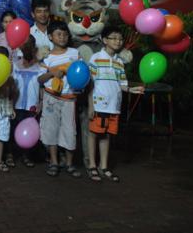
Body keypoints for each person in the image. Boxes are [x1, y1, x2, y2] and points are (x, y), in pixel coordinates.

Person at [87, 26, 143, 182]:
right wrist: (91, 105)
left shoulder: (120, 62)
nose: (118, 41)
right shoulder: (96, 58)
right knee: (94, 134)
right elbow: (90, 84)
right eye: (114, 38)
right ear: (105, 40)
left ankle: (103, 166)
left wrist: (131, 89)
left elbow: (122, 84)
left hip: (114, 106)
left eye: (120, 39)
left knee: (106, 135)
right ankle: (92, 165)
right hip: (98, 104)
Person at [37, 20, 82, 178]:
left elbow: (82, 73)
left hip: (69, 99)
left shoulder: (75, 53)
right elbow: (40, 79)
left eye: (65, 34)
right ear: (50, 36)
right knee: (51, 130)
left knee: (70, 131)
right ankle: (54, 162)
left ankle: (69, 164)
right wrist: (52, 73)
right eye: (58, 34)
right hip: (51, 97)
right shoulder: (47, 57)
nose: (62, 37)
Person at [11, 35, 44, 167]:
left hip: (32, 105)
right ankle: (13, 155)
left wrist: (40, 102)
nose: (27, 48)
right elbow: (12, 86)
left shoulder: (40, 67)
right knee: (14, 128)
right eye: (24, 45)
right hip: (17, 104)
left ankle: (27, 156)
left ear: (34, 48)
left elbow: (42, 87)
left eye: (30, 45)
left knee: (30, 130)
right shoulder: (15, 65)